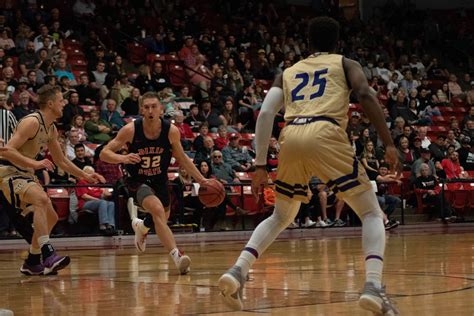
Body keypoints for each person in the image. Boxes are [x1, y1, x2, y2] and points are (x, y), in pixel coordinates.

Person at [218, 17, 401, 315]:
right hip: (326, 131)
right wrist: (389, 143)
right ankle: (373, 285)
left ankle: (238, 270)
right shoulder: (345, 63)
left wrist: (261, 165)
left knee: (281, 215)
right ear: (337, 41)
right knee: (370, 211)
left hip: (290, 135)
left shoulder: (288, 71)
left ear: (308, 42)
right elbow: (365, 94)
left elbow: (265, 114)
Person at [99, 92, 208, 275]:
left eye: (154, 106)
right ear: (142, 109)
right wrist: (123, 157)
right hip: (137, 180)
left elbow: (182, 158)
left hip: (159, 179)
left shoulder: (171, 131)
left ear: (161, 109)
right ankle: (177, 257)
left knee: (161, 219)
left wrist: (202, 179)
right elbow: (104, 153)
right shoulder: (131, 130)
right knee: (157, 210)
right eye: (146, 107)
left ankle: (141, 227)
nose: (150, 110)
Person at [0, 86, 104, 276]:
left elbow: (61, 161)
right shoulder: (32, 122)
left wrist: (85, 176)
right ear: (50, 104)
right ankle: (48, 254)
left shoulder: (51, 128)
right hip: (8, 171)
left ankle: (32, 261)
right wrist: (35, 163)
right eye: (60, 100)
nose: (63, 103)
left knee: (52, 217)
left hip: (26, 173)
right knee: (41, 199)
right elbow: (6, 150)